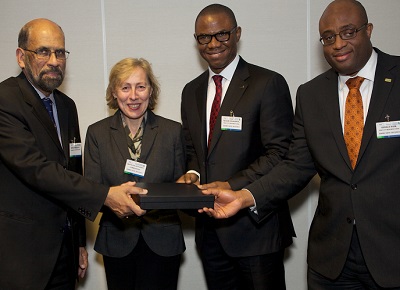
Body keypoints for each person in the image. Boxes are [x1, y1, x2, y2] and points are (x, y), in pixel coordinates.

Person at [201, 0, 400, 289]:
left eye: (348, 32)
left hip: (392, 252)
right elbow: (295, 165)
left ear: (368, 30)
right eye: (328, 37)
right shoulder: (311, 95)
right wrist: (244, 196)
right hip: (332, 259)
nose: (338, 44)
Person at [0, 19, 146, 290]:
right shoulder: (5, 100)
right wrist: (105, 195)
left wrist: (79, 241)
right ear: (21, 57)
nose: (54, 60)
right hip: (22, 256)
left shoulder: (66, 106)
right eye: (43, 51)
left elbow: (72, 172)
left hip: (64, 254)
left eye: (60, 52)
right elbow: (37, 169)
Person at [178, 4, 295, 289]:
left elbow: (281, 153)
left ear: (237, 34)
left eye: (222, 34)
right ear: (196, 41)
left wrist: (231, 185)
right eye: (204, 37)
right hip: (210, 234)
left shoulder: (267, 83)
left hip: (257, 231)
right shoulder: (191, 91)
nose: (213, 43)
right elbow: (195, 152)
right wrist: (192, 176)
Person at [84, 57, 186, 290]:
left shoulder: (172, 132)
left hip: (163, 240)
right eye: (125, 87)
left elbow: (181, 187)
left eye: (140, 86)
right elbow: (91, 190)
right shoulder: (97, 133)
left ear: (151, 90)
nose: (133, 96)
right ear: (114, 92)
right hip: (117, 240)